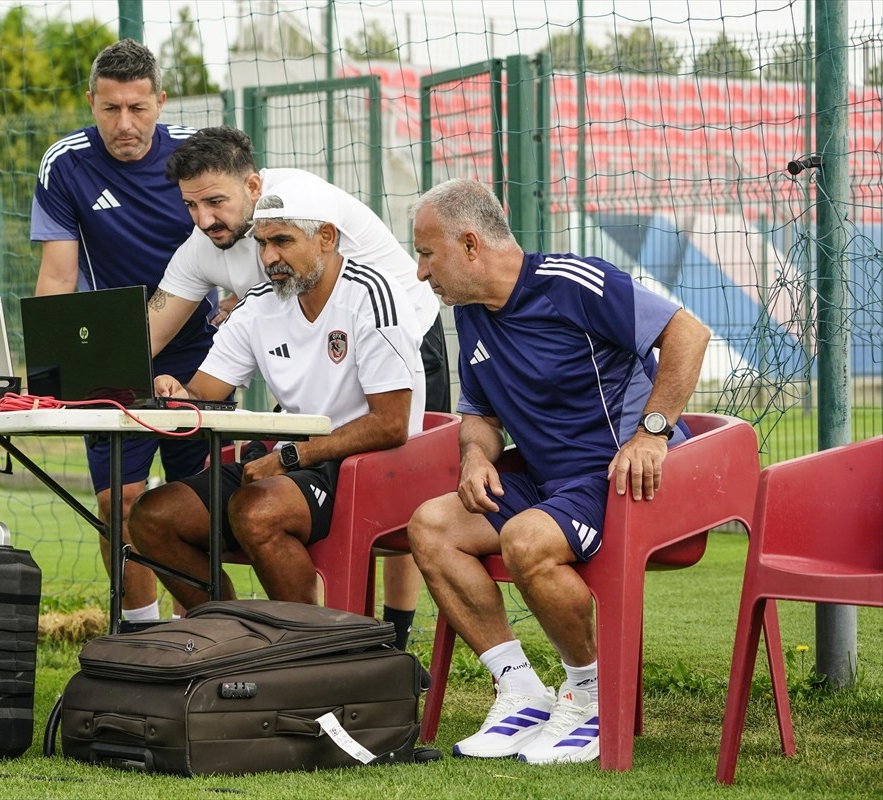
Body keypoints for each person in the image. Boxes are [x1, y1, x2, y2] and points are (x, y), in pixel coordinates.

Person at [406, 178, 711, 764]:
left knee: (525, 541)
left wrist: (652, 433)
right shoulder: (470, 313)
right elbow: (479, 414)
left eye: (426, 254)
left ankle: (593, 697)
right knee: (431, 527)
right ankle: (521, 692)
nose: (421, 272)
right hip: (549, 483)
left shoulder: (573, 283)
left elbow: (688, 334)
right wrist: (475, 454)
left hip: (619, 480)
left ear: (469, 244)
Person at [150, 124, 446, 649]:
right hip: (300, 451)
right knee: (153, 518)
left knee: (257, 509)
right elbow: (202, 394)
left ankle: (333, 652)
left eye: (282, 242)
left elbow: (390, 426)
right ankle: (234, 641)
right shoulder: (258, 301)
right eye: (262, 244)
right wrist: (177, 394)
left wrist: (287, 457)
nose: (268, 257)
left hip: (366, 453)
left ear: (327, 239)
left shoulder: (372, 292)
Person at [29, 38, 216, 623]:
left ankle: (204, 631)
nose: (125, 123)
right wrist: (46, 371)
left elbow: (237, 240)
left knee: (200, 502)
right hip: (110, 351)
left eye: (138, 107)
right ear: (91, 102)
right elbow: (58, 276)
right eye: (111, 108)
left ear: (161, 100)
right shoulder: (65, 164)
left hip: (199, 349)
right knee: (119, 501)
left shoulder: (198, 154)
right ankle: (141, 634)